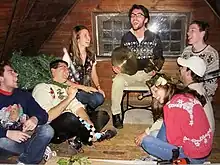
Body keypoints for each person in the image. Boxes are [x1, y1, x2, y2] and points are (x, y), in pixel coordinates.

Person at [32, 59, 116, 150]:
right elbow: (48, 117)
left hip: (75, 123)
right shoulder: (42, 87)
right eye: (62, 67)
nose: (66, 70)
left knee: (102, 115)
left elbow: (77, 107)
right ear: (53, 70)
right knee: (69, 117)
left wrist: (87, 120)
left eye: (67, 68)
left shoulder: (66, 88)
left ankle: (79, 138)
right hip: (54, 129)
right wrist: (69, 97)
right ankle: (91, 137)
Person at [135, 76, 213, 164]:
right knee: (155, 132)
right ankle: (158, 155)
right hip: (204, 150)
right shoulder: (185, 95)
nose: (153, 95)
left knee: (147, 141)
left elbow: (175, 141)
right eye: (152, 92)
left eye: (156, 91)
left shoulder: (171, 107)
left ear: (167, 86)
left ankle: (158, 158)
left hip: (192, 158)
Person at [111, 4, 164, 129]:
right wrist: (117, 66)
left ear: (145, 20)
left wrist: (155, 70)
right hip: (130, 74)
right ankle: (116, 114)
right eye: (132, 15)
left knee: (163, 82)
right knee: (117, 80)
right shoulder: (126, 37)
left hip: (148, 74)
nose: (135, 18)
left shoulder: (154, 37)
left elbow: (159, 57)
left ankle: (160, 114)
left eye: (139, 15)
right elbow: (121, 57)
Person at [0, 61, 54, 164]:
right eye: (11, 72)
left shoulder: (23, 95)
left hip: (23, 141)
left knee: (47, 130)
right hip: (4, 143)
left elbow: (43, 114)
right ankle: (36, 151)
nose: (16, 74)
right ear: (1, 78)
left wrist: (35, 118)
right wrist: (7, 133)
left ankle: (26, 160)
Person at [62, 25, 104, 112]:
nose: (89, 38)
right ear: (77, 38)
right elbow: (62, 80)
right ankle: (78, 107)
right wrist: (82, 87)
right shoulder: (68, 56)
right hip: (73, 91)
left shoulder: (91, 55)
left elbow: (93, 73)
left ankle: (87, 110)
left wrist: (99, 87)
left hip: (86, 90)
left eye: (89, 35)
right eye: (85, 36)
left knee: (99, 98)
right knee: (84, 97)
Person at [181, 20, 219, 101]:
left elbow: (212, 84)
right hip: (186, 95)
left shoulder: (211, 54)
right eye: (188, 31)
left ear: (202, 33)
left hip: (202, 98)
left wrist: (200, 98)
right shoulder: (186, 51)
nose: (188, 33)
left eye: (192, 30)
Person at [177, 56, 215, 133]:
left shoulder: (189, 95)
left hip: (200, 139)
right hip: (207, 135)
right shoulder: (199, 88)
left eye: (182, 68)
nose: (180, 69)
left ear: (188, 73)